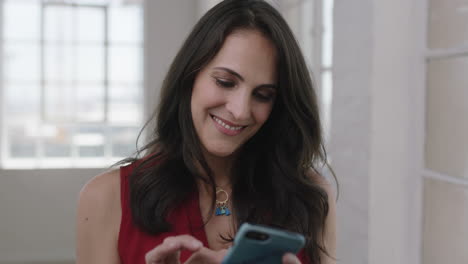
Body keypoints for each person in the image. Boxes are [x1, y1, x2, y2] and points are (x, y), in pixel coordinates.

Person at [76, 0, 337, 263]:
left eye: (263, 95)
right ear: (190, 75)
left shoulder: (311, 199)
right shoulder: (105, 199)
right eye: (225, 82)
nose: (240, 111)